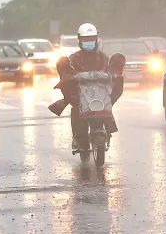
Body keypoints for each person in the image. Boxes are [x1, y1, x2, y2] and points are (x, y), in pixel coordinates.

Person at [50, 23, 124, 152]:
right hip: (80, 95)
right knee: (76, 108)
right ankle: (78, 137)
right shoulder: (74, 58)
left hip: (101, 96)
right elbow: (67, 74)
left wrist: (113, 76)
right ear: (80, 40)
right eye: (86, 39)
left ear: (96, 39)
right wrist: (71, 78)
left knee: (107, 103)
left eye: (91, 39)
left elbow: (113, 74)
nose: (89, 42)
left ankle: (107, 129)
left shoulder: (104, 58)